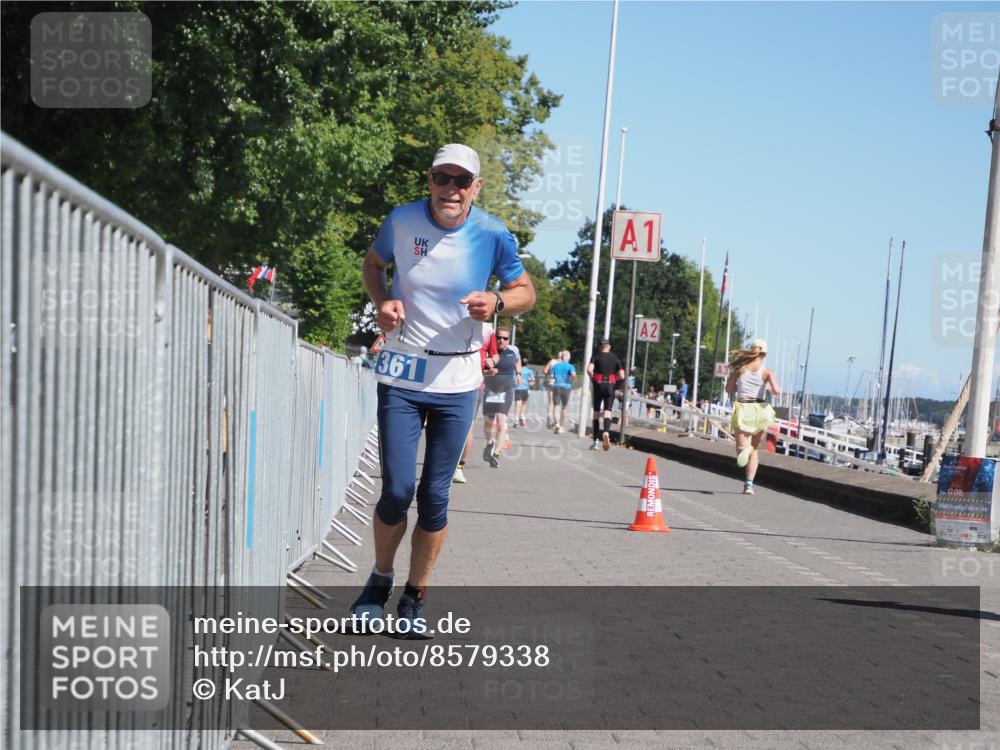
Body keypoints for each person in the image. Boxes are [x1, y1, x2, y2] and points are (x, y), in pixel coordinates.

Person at [352, 143, 535, 632]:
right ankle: (378, 582)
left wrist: (497, 301)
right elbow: (373, 265)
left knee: (435, 496)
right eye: (441, 178)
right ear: (429, 180)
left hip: (457, 378)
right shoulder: (403, 220)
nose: (449, 189)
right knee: (395, 489)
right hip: (403, 372)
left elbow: (526, 293)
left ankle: (414, 597)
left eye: (460, 181)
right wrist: (383, 301)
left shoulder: (492, 233)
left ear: (475, 187)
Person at [725, 339, 781, 496]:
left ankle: (746, 450)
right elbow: (776, 391)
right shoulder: (767, 371)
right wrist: (767, 387)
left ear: (751, 351)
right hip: (761, 410)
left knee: (741, 450)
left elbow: (728, 389)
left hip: (744, 408)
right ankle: (749, 485)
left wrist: (740, 386)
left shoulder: (740, 369)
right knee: (754, 450)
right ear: (765, 354)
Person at [453, 325, 498, 484]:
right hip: (448, 382)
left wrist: (492, 361)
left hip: (474, 385)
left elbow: (495, 354)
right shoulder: (454, 321)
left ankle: (459, 467)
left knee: (467, 426)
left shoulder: (487, 330)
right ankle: (444, 464)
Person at [481, 326, 520, 468]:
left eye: (505, 338)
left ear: (509, 340)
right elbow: (480, 369)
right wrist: (487, 370)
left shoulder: (512, 353)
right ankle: (490, 443)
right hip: (490, 390)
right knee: (488, 424)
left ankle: (497, 454)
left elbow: (517, 362)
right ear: (494, 338)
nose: (502, 340)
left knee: (502, 423)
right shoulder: (488, 353)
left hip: (506, 391)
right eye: (499, 337)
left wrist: (519, 374)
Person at [586, 339, 624, 451]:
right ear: (609, 347)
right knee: (608, 412)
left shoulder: (596, 356)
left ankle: (596, 442)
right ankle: (606, 432)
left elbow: (589, 369)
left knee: (596, 414)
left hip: (598, 385)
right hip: (610, 386)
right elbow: (622, 375)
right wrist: (614, 380)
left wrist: (592, 378)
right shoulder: (615, 358)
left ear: (600, 347)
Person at [549, 350, 576, 434]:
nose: (570, 358)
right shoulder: (570, 366)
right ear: (567, 357)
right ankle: (562, 426)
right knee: (564, 407)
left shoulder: (556, 366)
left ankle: (556, 423)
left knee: (556, 405)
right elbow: (573, 375)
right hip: (566, 387)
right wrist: (571, 380)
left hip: (556, 386)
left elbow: (551, 376)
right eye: (569, 356)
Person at [513, 356, 535, 427]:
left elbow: (514, 379)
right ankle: (522, 416)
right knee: (524, 403)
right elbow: (533, 380)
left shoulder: (517, 370)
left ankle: (516, 419)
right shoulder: (529, 371)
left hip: (518, 388)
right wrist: (530, 381)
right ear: (527, 364)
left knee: (518, 404)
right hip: (526, 389)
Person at [542, 353, 561, 428]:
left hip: (551, 383)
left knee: (551, 402)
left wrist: (548, 375)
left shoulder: (552, 361)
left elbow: (545, 370)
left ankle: (549, 416)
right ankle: (556, 420)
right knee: (557, 403)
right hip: (559, 384)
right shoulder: (563, 363)